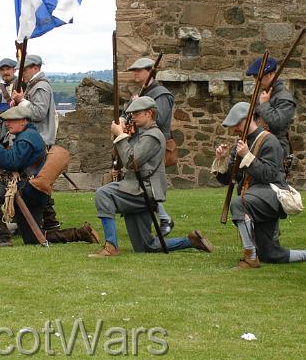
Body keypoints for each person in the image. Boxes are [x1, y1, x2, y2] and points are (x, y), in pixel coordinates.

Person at [91, 96, 214, 257]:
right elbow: (126, 156)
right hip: (137, 188)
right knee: (145, 246)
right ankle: (190, 241)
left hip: (142, 191)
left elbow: (132, 161)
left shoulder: (153, 136)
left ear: (149, 113)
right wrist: (122, 133)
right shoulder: (143, 133)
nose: (132, 116)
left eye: (136, 113)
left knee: (103, 194)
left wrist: (120, 136)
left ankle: (111, 246)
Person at [212, 102, 306, 269]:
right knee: (270, 253)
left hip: (272, 195)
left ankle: (250, 258)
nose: (234, 129)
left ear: (247, 120)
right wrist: (222, 159)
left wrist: (247, 156)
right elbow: (229, 180)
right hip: (255, 197)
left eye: (237, 124)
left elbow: (269, 175)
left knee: (239, 204)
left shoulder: (270, 141)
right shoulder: (241, 145)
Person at [0, 104, 100, 246]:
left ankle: (3, 238)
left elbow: (11, 161)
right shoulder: (27, 135)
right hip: (30, 190)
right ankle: (80, 233)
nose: (7, 123)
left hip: (26, 191)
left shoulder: (26, 138)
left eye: (11, 120)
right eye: (6, 120)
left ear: (23, 121)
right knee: (33, 239)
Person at [10, 54, 61, 231]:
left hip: (39, 141)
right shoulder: (35, 86)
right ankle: (43, 220)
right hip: (35, 140)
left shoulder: (41, 86)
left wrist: (22, 101)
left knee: (36, 181)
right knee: (32, 180)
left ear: (35, 68)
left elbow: (39, 113)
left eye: (24, 69)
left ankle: (49, 220)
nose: (21, 73)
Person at [126, 57, 175, 236]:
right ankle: (161, 218)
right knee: (142, 181)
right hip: (143, 143)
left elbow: (159, 118)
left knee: (149, 182)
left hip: (155, 143)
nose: (135, 74)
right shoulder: (144, 91)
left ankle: (164, 219)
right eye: (134, 71)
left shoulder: (161, 94)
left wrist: (142, 102)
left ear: (149, 72)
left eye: (138, 70)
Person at [246, 56, 297, 158]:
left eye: (258, 78)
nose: (256, 81)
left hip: (275, 149)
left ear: (271, 74)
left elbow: (277, 123)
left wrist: (264, 105)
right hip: (258, 145)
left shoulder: (284, 98)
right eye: (255, 78)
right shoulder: (263, 93)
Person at [0, 58, 17, 142]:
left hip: (14, 124)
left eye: (8, 69)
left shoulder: (20, 84)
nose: (5, 72)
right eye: (2, 70)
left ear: (14, 70)